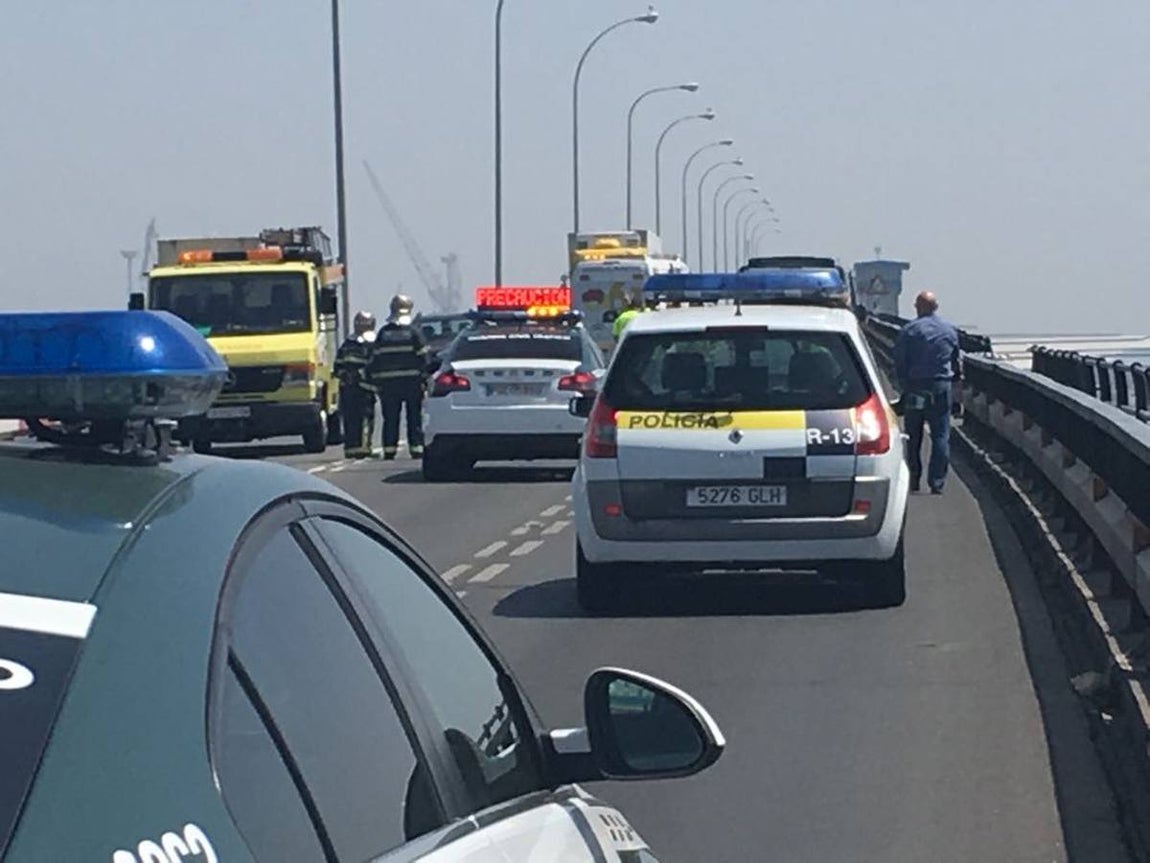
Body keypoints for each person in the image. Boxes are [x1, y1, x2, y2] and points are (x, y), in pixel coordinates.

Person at [893, 290, 962, 494]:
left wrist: (904, 383)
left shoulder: (910, 330)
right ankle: (937, 482)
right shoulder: (949, 330)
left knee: (913, 434)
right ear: (936, 307)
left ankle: (914, 479)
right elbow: (957, 362)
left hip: (916, 387)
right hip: (941, 386)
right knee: (940, 435)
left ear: (919, 307)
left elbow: (899, 360)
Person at [369, 294, 430, 460]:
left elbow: (374, 362)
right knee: (414, 418)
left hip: (389, 386)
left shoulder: (383, 333)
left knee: (390, 419)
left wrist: (377, 384)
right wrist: (424, 381)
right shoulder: (414, 333)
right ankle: (416, 449)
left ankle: (389, 450)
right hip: (412, 384)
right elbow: (424, 360)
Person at [333, 310, 378, 459]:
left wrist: (359, 375)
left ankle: (359, 447)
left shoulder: (369, 342)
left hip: (362, 388)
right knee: (354, 418)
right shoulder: (352, 343)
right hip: (353, 388)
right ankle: (356, 448)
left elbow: (375, 364)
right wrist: (345, 375)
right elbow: (338, 365)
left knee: (361, 418)